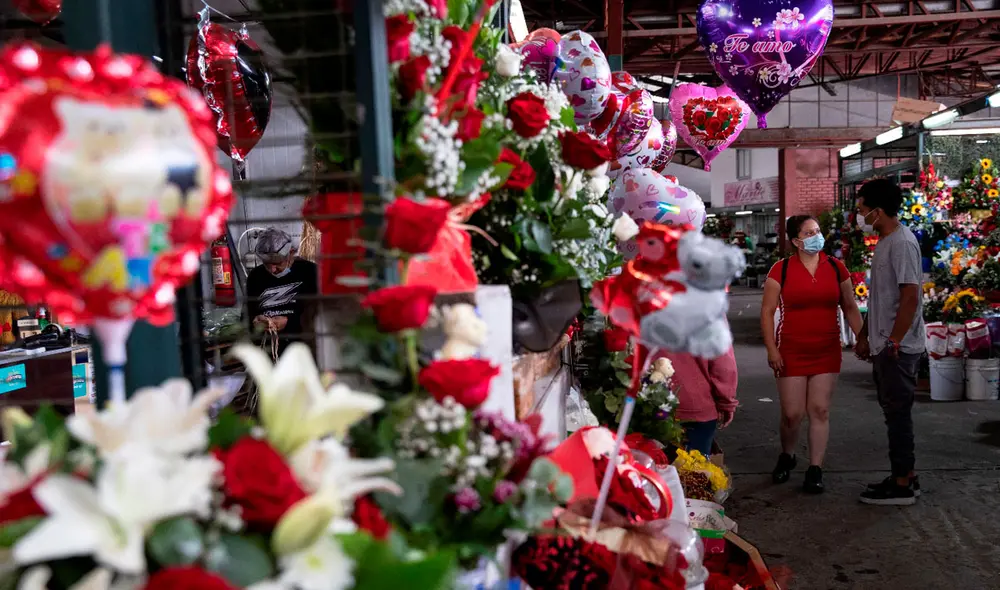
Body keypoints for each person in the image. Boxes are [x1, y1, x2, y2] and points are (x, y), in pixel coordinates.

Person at [760, 215, 864, 494]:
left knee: (820, 409)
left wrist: (863, 338)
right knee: (792, 414)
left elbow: (850, 306)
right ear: (796, 241)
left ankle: (815, 468)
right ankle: (788, 454)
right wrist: (771, 349)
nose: (817, 236)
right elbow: (767, 312)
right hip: (791, 349)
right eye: (809, 233)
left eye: (817, 230)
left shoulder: (836, 267)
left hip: (827, 349)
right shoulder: (780, 270)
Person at [854, 178, 925, 506]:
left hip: (899, 348)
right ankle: (905, 474)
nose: (859, 216)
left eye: (862, 210)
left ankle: (902, 485)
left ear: (878, 211)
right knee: (893, 413)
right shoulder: (885, 241)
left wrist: (895, 340)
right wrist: (865, 335)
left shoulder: (903, 243)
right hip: (885, 343)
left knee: (898, 415)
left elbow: (909, 295)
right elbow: (880, 298)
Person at [246, 228, 319, 353]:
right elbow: (247, 315)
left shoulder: (310, 272)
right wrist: (255, 322)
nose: (272, 270)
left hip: (303, 350)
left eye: (277, 263)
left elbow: (320, 316)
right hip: (269, 351)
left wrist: (289, 322)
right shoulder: (255, 277)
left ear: (291, 253)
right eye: (267, 263)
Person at [658, 347, 739, 456]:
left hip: (650, 404)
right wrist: (726, 403)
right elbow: (723, 366)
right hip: (696, 407)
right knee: (695, 463)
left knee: (648, 461)